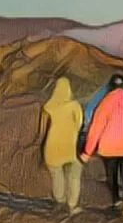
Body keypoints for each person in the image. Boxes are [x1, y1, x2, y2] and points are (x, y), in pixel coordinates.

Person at [80, 73, 123, 218]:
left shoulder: (105, 102)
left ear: (110, 87)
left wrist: (87, 152)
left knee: (111, 175)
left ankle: (117, 201)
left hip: (109, 148)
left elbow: (95, 128)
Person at [35, 77, 86, 215]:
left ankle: (60, 200)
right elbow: (79, 125)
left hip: (52, 147)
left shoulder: (48, 107)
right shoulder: (75, 105)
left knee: (56, 174)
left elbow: (41, 130)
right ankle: (72, 205)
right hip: (71, 147)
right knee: (74, 175)